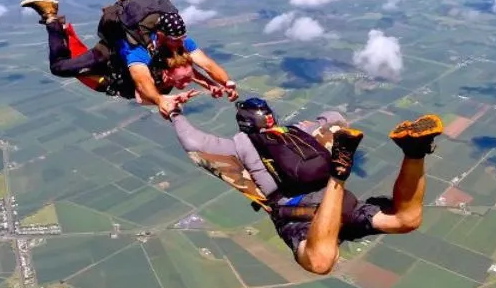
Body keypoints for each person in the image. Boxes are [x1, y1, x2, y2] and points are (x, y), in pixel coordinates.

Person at [166, 97, 443, 275]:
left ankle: (338, 175)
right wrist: (316, 125)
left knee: (320, 261)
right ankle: (415, 151)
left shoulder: (238, 146)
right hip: (342, 208)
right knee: (407, 219)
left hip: (300, 215)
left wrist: (174, 112)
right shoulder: (299, 131)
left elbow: (194, 144)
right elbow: (334, 116)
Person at [19, 0, 237, 116]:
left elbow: (204, 66)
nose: (179, 42)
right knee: (60, 67)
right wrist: (161, 100)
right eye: (174, 38)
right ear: (161, 34)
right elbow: (142, 81)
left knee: (74, 56)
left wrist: (223, 82)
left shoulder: (178, 46)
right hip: (109, 58)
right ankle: (51, 17)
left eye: (182, 38)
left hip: (122, 78)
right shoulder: (139, 51)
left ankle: (64, 28)